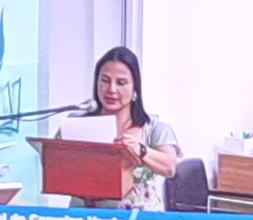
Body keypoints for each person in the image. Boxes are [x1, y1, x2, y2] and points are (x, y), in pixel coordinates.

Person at [64, 43, 180, 210]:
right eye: (105, 80)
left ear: (135, 87)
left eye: (121, 82)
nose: (111, 89)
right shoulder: (77, 124)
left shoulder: (154, 128)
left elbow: (169, 167)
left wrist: (141, 150)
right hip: (84, 219)